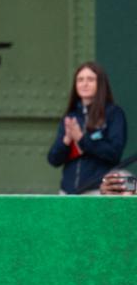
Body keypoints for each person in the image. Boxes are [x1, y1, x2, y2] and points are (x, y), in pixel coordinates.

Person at [47, 62, 127, 195]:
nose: (84, 84)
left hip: (99, 191)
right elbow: (53, 160)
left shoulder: (114, 114)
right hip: (68, 193)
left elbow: (114, 154)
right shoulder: (71, 116)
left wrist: (83, 140)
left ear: (100, 84)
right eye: (80, 79)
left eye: (90, 79)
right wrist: (66, 141)